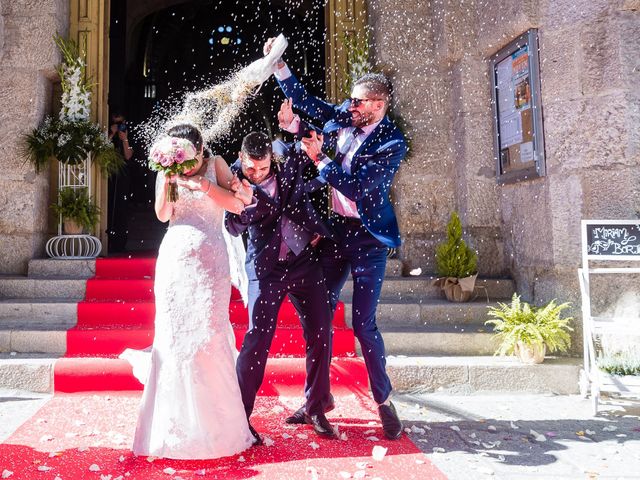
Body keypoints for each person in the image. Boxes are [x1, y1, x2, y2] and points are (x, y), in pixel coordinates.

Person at [264, 38, 408, 440]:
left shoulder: (393, 143)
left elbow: (360, 189)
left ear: (378, 105)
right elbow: (310, 104)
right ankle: (315, 401)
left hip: (368, 239)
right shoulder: (347, 116)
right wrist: (279, 68)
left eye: (359, 102)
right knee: (318, 314)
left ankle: (383, 402)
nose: (350, 105)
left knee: (364, 324)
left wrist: (320, 159)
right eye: (351, 100)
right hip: (335, 233)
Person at [122, 123, 255, 459]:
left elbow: (238, 206)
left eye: (190, 160)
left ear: (200, 150)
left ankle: (217, 429)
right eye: (181, 161)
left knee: (209, 336)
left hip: (211, 258)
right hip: (175, 258)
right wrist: (168, 183)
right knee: (174, 337)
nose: (186, 167)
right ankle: (171, 428)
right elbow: (163, 214)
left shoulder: (217, 164)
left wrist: (205, 185)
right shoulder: (166, 169)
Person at [225, 130, 337, 442]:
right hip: (267, 268)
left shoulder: (287, 158)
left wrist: (297, 127)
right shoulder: (234, 178)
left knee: (321, 330)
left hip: (304, 260)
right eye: (251, 168)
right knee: (257, 340)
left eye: (262, 168)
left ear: (271, 159)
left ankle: (315, 406)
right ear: (242, 157)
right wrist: (244, 204)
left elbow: (313, 139)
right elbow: (231, 227)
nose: (256, 174)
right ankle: (240, 418)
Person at [107, 112, 133, 252]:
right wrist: (111, 134)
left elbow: (128, 155)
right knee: (109, 205)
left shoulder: (128, 135)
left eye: (121, 123)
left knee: (121, 207)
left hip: (122, 175)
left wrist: (125, 139)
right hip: (108, 175)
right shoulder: (108, 134)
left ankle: (120, 242)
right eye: (116, 123)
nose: (119, 126)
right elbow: (101, 147)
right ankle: (108, 241)